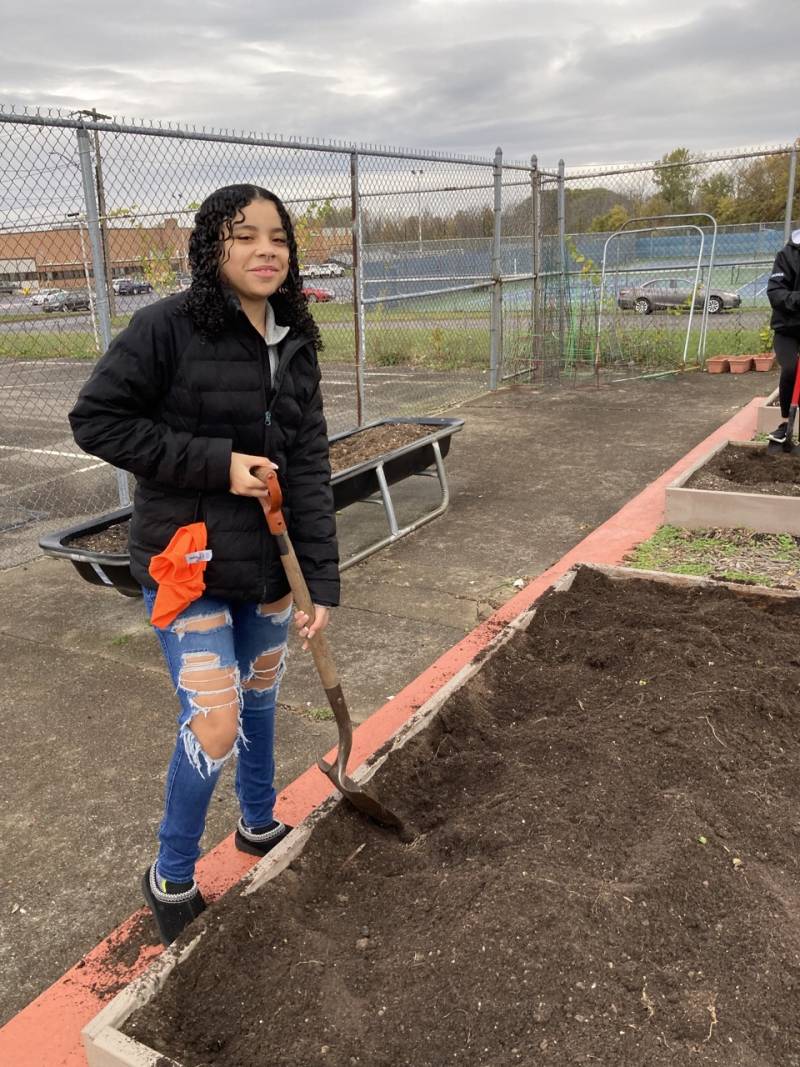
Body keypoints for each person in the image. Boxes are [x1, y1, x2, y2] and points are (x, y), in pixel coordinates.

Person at [69, 184, 339, 946]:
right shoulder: (166, 328)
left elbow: (311, 464)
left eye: (278, 238)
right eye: (244, 235)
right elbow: (96, 419)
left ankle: (256, 824)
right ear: (211, 248)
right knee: (215, 721)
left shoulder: (295, 341)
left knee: (258, 702)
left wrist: (317, 580)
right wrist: (217, 466)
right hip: (186, 561)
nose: (265, 250)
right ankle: (171, 873)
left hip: (268, 566)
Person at [766, 228, 800, 443]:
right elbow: (776, 293)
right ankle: (786, 422)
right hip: (788, 328)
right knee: (790, 368)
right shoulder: (787, 255)